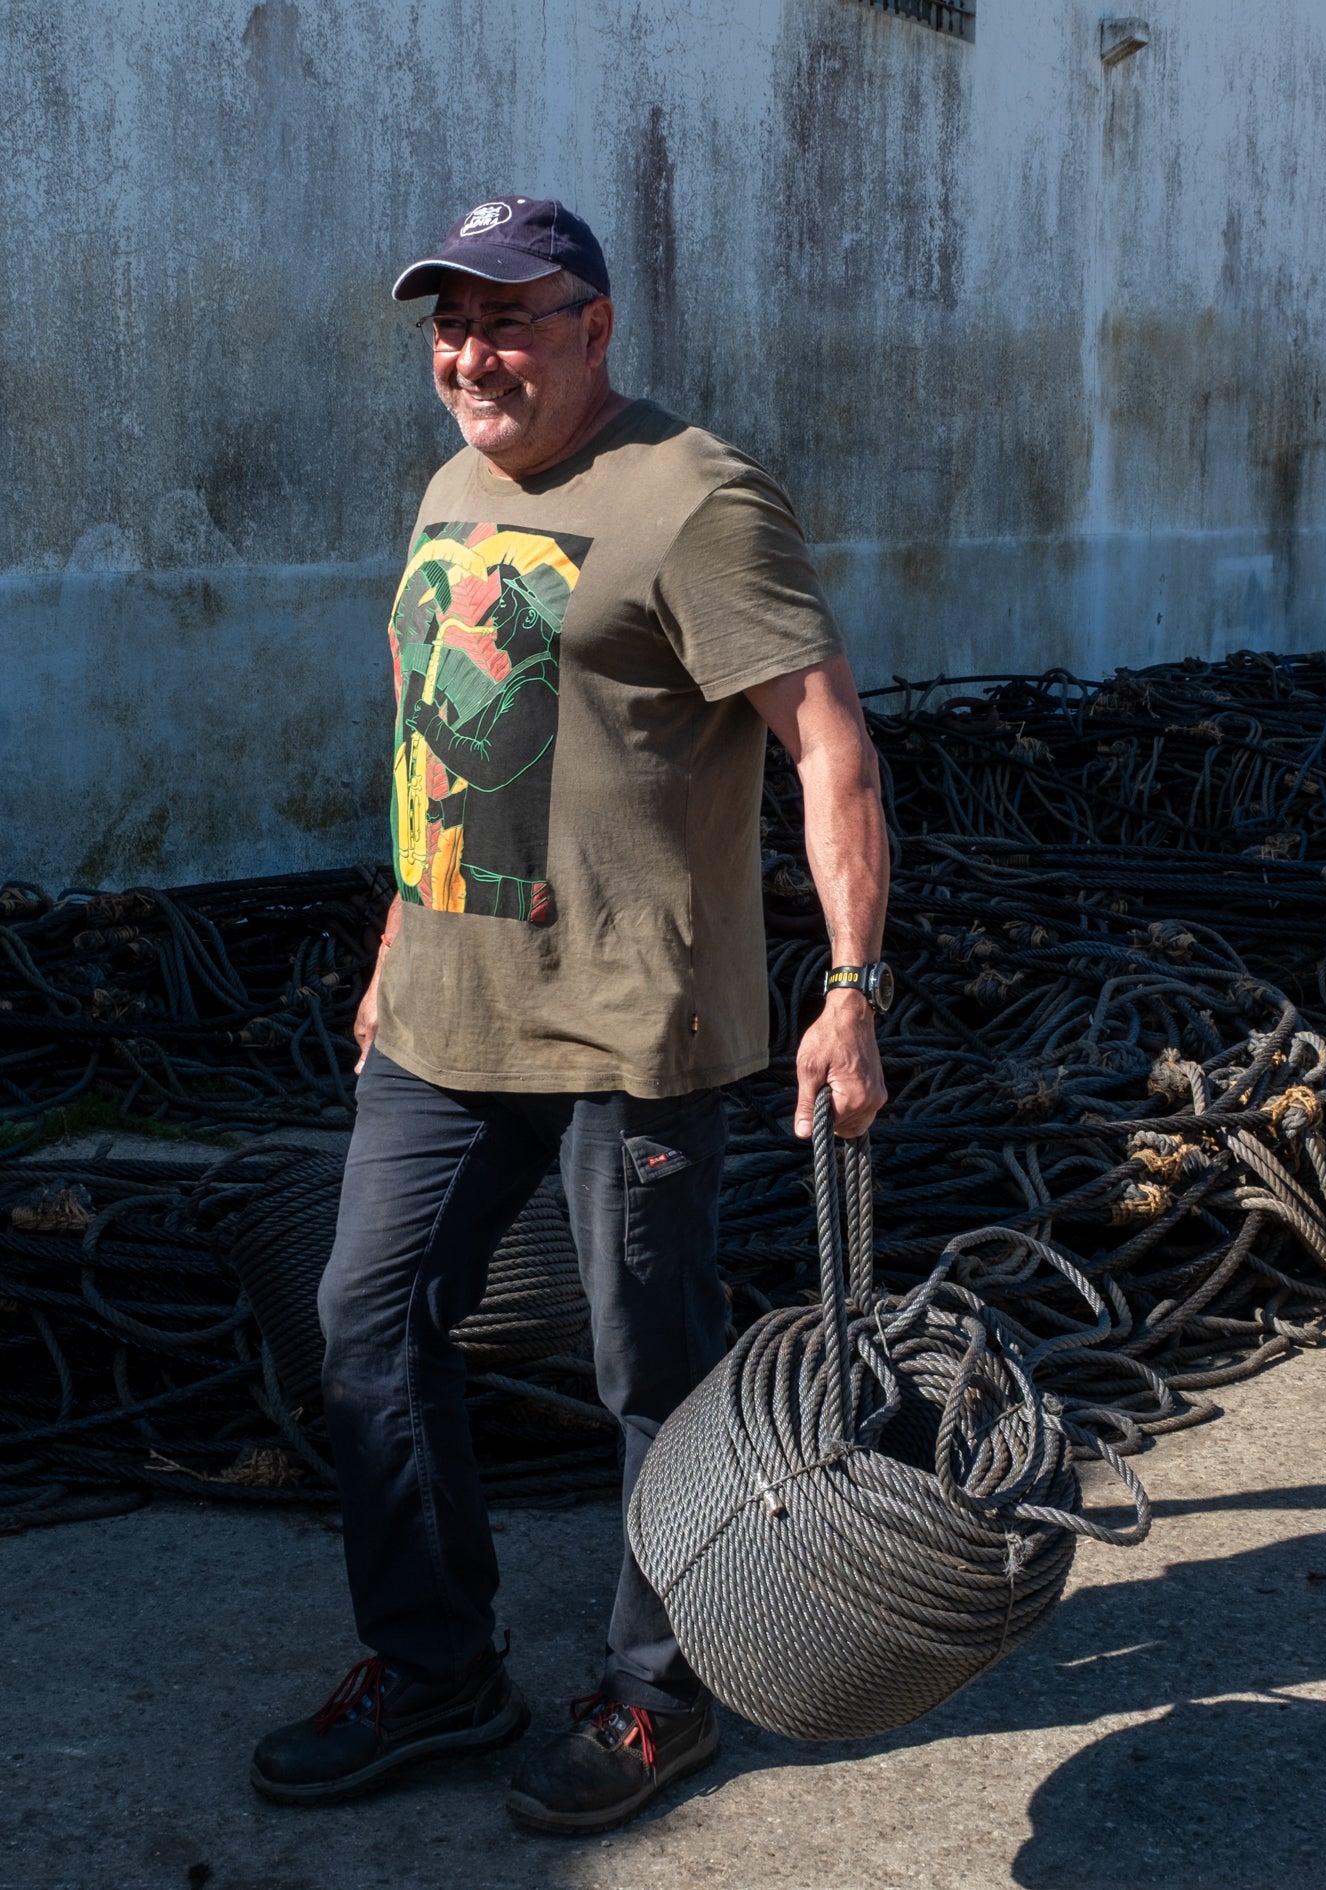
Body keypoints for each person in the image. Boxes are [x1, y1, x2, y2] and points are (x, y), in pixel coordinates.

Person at [246, 197, 892, 1836]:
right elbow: (447, 731)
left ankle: (661, 1699)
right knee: (365, 1324)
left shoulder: (697, 500)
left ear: (596, 328)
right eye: (450, 325)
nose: (474, 353)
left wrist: (850, 991)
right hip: (450, 1014)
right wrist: (398, 931)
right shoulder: (455, 486)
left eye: (511, 320)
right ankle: (439, 1667)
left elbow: (827, 742)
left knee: (650, 1372)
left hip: (632, 1022)